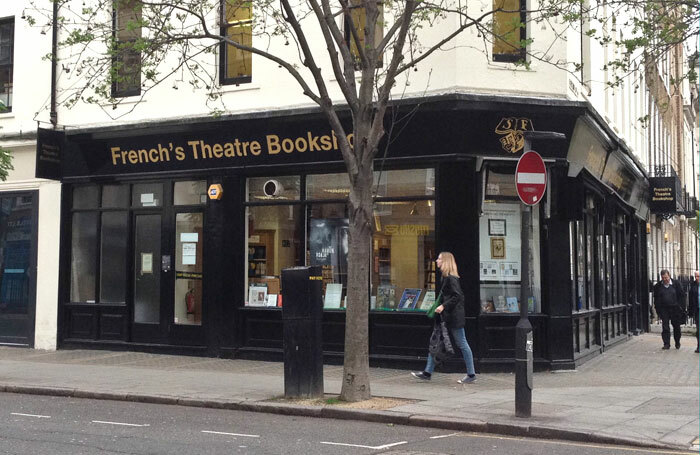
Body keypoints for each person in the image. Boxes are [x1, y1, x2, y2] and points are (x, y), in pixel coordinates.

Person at [411, 252, 476, 384]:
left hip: (453, 317)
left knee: (462, 343)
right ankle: (427, 372)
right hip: (446, 317)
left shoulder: (451, 278)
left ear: (445, 261)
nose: (436, 261)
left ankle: (471, 374)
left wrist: (443, 306)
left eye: (439, 259)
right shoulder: (446, 277)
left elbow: (457, 296)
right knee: (435, 342)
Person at [652, 269, 686, 350]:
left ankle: (677, 342)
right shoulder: (658, 286)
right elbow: (656, 299)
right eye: (663, 278)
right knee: (665, 326)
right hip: (664, 309)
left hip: (675, 308)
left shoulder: (676, 284)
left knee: (676, 326)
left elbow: (682, 296)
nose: (665, 279)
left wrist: (682, 308)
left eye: (666, 277)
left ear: (669, 276)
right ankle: (666, 344)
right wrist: (658, 310)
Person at [689, 271, 699, 353]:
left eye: (698, 276)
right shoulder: (693, 285)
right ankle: (699, 346)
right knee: (698, 329)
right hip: (697, 309)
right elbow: (691, 298)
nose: (696, 278)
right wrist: (691, 311)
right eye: (695, 276)